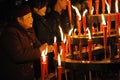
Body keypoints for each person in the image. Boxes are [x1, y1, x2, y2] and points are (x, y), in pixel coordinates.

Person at [0, 5, 53, 80]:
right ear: (19, 19)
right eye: (28, 18)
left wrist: (47, 48)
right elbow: (18, 55)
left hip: (28, 74)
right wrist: (39, 51)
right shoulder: (10, 33)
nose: (31, 20)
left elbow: (37, 45)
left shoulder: (29, 30)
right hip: (16, 75)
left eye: (31, 17)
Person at [29, 0, 55, 79]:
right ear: (36, 9)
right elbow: (39, 39)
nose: (45, 8)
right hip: (42, 56)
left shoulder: (42, 19)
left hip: (46, 52)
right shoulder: (36, 22)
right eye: (43, 6)